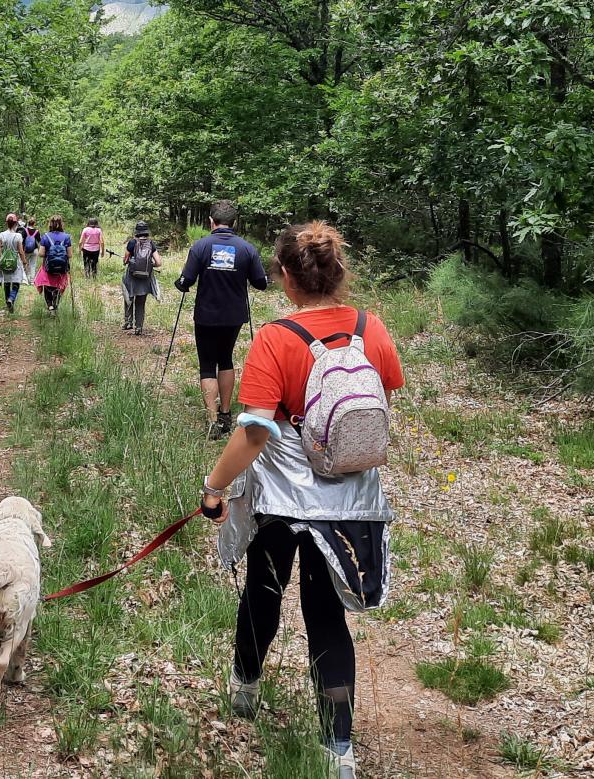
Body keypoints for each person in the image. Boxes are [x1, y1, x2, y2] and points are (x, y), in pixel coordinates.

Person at [199, 223, 402, 779]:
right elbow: (381, 397)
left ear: (287, 277)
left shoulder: (275, 337)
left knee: (263, 592)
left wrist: (214, 489)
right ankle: (338, 749)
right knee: (327, 614)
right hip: (353, 499)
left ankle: (246, 688)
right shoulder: (372, 328)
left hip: (285, 498)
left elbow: (255, 433)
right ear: (338, 274)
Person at [175, 199, 269, 437]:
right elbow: (260, 283)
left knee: (207, 364)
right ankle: (226, 413)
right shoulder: (247, 248)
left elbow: (187, 281)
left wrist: (181, 284)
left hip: (206, 315)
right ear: (234, 222)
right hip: (234, 316)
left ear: (211, 221)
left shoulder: (201, 246)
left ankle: (212, 419)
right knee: (225, 359)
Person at [121, 220, 162, 334]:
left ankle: (128, 322)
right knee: (141, 302)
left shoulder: (132, 243)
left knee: (128, 297)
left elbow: (125, 260)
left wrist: (130, 262)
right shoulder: (151, 244)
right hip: (145, 278)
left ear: (136, 232)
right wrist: (149, 264)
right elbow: (158, 263)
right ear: (146, 232)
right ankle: (139, 327)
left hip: (132, 276)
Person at [34, 214, 74, 315]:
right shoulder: (67, 237)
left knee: (47, 285)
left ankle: (50, 306)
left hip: (48, 267)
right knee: (58, 286)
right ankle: (56, 305)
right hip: (62, 268)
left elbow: (41, 254)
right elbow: (70, 255)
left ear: (50, 224)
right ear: (61, 224)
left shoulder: (46, 236)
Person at [0, 213, 29, 314]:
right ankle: (11, 299)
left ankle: (7, 303)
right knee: (16, 282)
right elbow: (21, 251)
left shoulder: (1, 235)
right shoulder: (18, 236)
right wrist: (24, 262)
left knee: (7, 282)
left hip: (4, 262)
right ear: (15, 224)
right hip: (15, 263)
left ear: (6, 223)